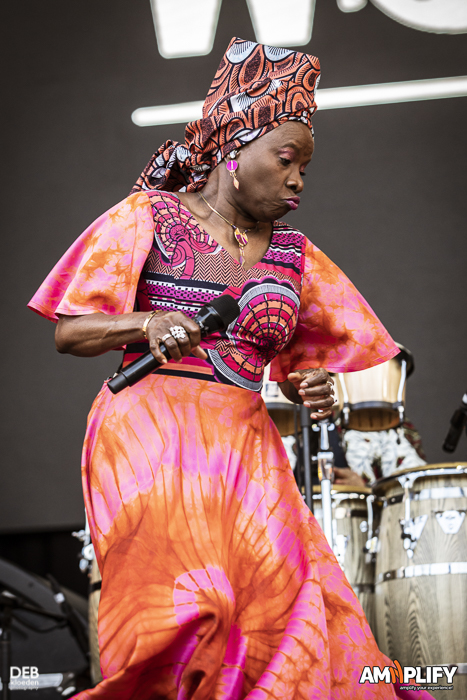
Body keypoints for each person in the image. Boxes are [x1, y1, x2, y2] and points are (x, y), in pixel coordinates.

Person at [29, 38, 433, 700]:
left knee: (289, 600)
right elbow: (71, 333)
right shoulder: (148, 217)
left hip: (245, 441)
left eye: (305, 166)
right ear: (231, 147)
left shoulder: (295, 256)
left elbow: (308, 364)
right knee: (191, 607)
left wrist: (311, 386)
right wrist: (143, 324)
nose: (298, 177)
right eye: (285, 158)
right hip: (148, 433)